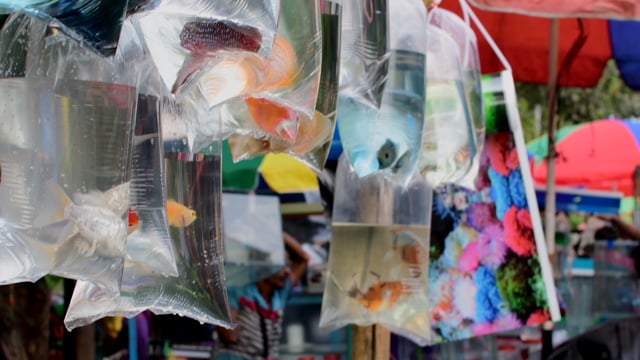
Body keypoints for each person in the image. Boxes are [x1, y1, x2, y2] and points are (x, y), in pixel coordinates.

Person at [214, 232, 309, 360]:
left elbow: (303, 259)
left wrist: (274, 230)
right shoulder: (236, 290)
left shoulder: (279, 294)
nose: (287, 271)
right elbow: (229, 337)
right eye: (280, 266)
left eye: (288, 265)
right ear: (262, 266)